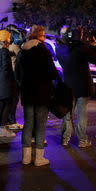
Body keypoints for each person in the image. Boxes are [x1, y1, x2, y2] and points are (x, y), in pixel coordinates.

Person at [15, 25, 58, 166]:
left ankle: (26, 157)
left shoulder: (22, 52)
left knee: (28, 124)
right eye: (44, 35)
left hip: (27, 93)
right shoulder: (43, 51)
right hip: (41, 93)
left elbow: (17, 74)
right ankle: (39, 157)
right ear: (40, 36)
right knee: (40, 125)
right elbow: (52, 73)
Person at [56, 25, 96, 148]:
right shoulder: (81, 48)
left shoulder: (59, 48)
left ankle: (65, 139)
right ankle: (82, 140)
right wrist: (93, 45)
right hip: (83, 86)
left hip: (68, 86)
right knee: (82, 114)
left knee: (68, 115)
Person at [0, 29, 17, 137]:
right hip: (5, 81)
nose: (9, 41)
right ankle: (3, 127)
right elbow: (7, 68)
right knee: (8, 103)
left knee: (2, 103)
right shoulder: (4, 52)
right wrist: (13, 80)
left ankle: (1, 127)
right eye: (8, 39)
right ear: (4, 41)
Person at [5, 24, 25, 130]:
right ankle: (11, 120)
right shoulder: (15, 47)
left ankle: (8, 119)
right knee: (14, 99)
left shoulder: (7, 47)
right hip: (14, 75)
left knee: (10, 99)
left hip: (9, 75)